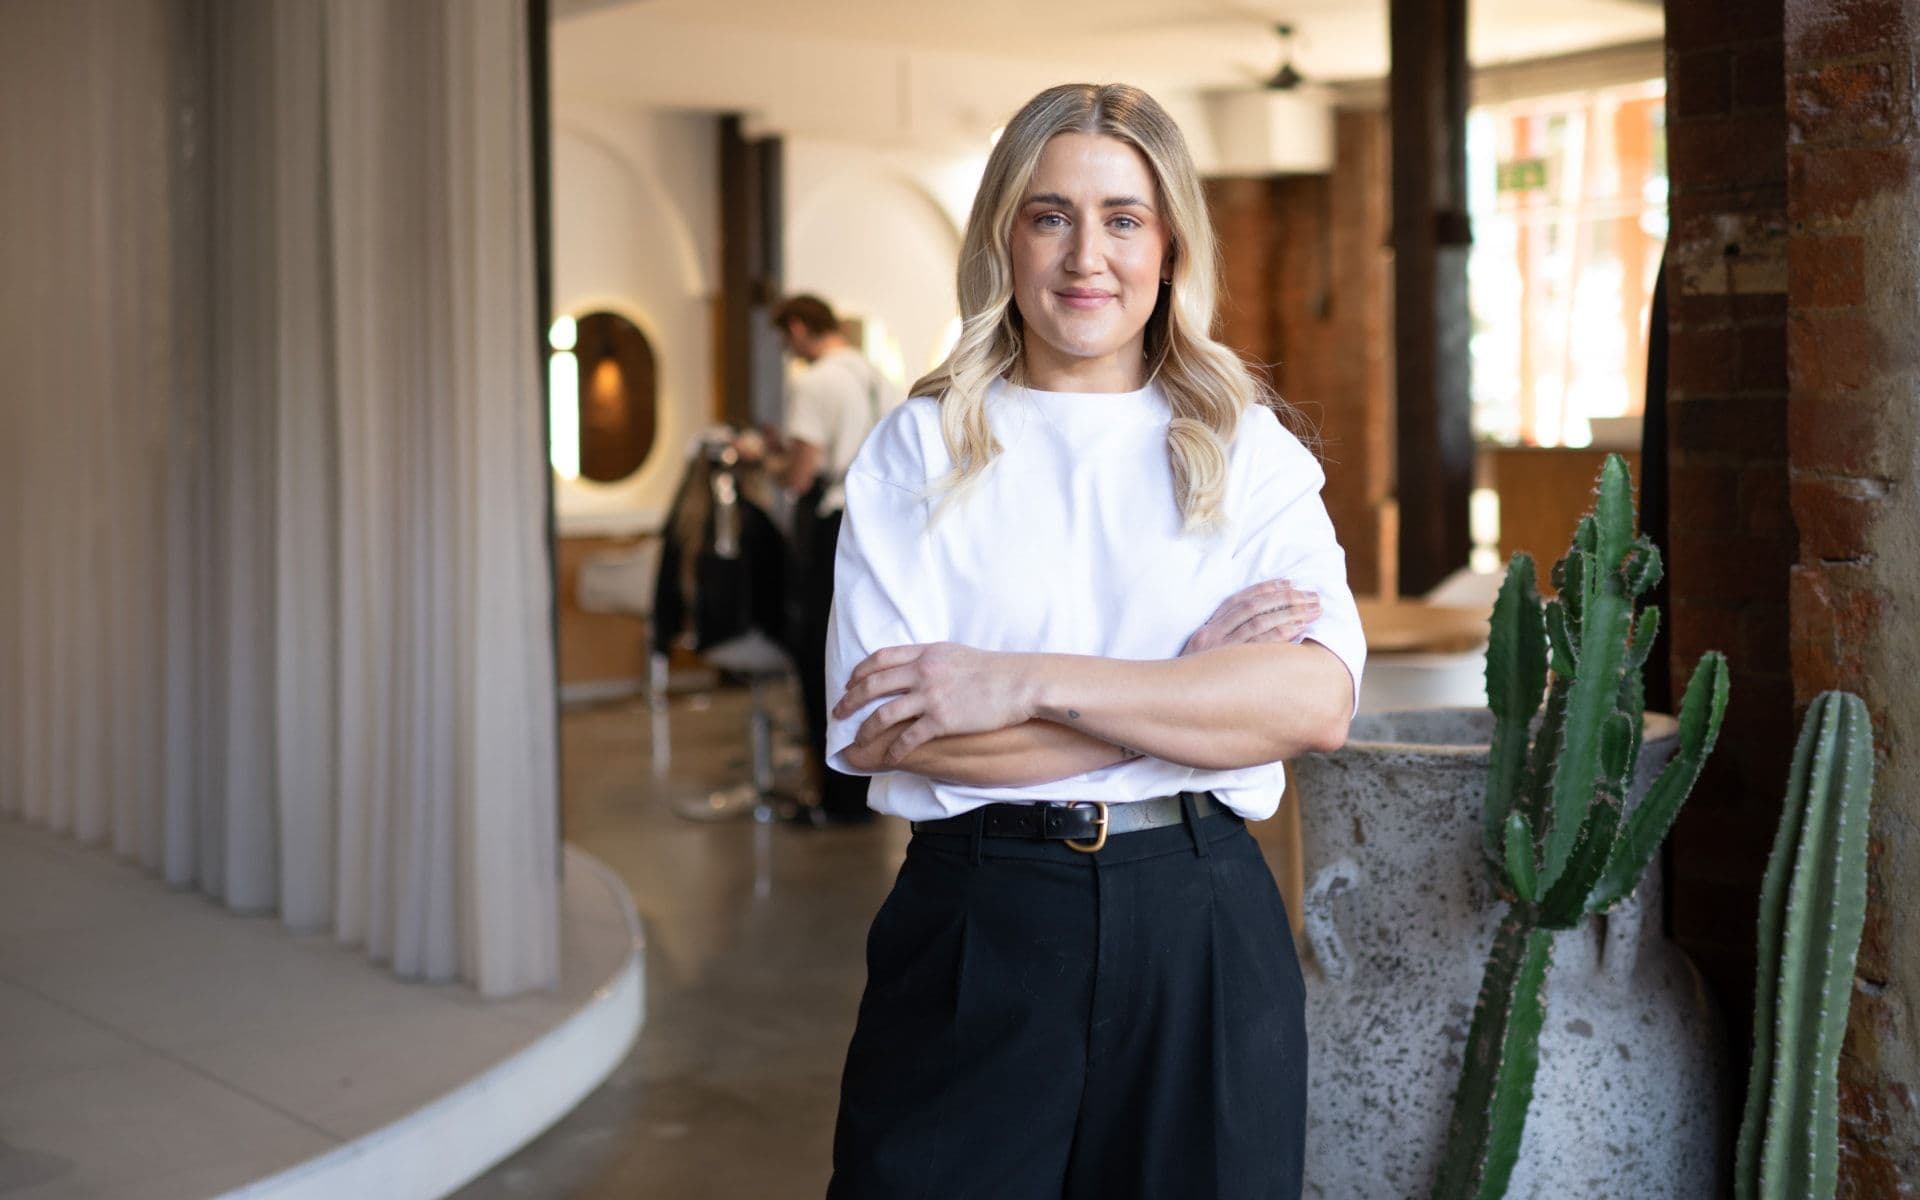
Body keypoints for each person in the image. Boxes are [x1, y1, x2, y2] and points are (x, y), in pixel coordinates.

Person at [820, 83, 1365, 1199]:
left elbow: (1313, 705)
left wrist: (1016, 683)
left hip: (1200, 921)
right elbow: (889, 731)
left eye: (1124, 217)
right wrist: (1190, 697)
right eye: (1049, 214)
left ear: (1168, 248)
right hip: (979, 920)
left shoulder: (1243, 448)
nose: (1087, 256)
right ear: (1005, 239)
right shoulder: (917, 448)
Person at [771, 294, 897, 825]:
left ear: (799, 329)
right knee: (866, 653)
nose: (787, 348)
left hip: (832, 524)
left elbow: (800, 474)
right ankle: (865, 787)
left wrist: (767, 460)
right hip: (882, 524)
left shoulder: (816, 381)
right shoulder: (875, 375)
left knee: (819, 655)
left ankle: (834, 798)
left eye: (785, 338)